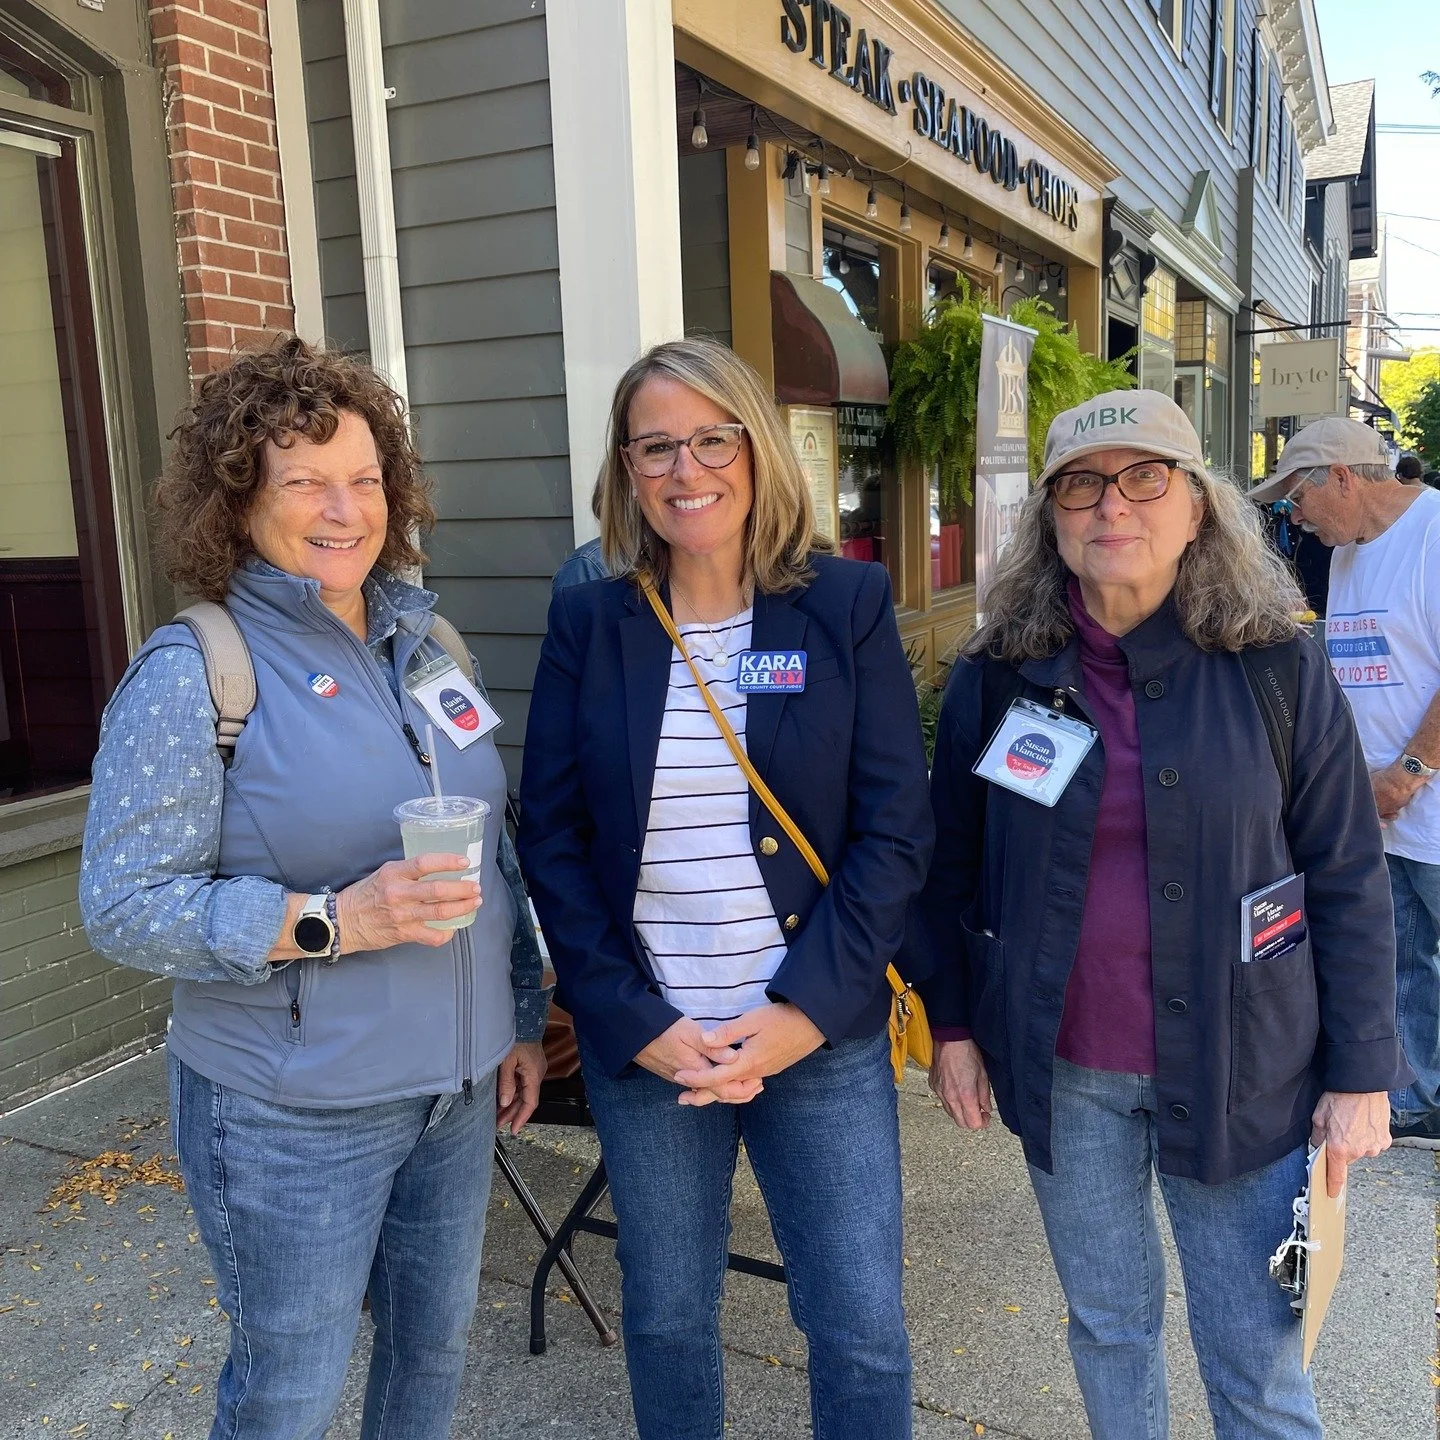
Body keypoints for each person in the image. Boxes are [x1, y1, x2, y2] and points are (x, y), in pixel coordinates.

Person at [80, 336, 550, 1438]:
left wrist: (518, 1020)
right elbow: (125, 902)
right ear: (238, 501)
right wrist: (332, 921)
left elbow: (494, 852)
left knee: (429, 1361)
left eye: (365, 479)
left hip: (454, 1093)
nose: (344, 509)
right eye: (305, 482)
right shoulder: (198, 672)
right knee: (287, 1393)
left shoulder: (427, 642)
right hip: (290, 1114)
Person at [923, 391, 1407, 1440]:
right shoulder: (1000, 677)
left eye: (1147, 478)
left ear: (1200, 507)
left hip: (1248, 1072)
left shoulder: (1278, 667)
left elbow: (1346, 875)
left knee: (1258, 1355)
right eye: (1084, 485)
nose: (1114, 505)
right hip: (1063, 1071)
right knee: (1108, 1331)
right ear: (1050, 519)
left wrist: (1362, 1073)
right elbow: (949, 866)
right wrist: (954, 1027)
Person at [518, 337, 933, 1440]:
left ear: (757, 451)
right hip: (654, 1041)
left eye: (712, 437)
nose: (685, 468)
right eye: (655, 445)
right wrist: (626, 1015)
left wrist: (803, 1015)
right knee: (664, 1320)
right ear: (624, 468)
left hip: (815, 1036)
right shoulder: (590, 621)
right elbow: (551, 837)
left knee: (858, 1325)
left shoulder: (841, 606)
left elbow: (897, 831)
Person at [1252, 417, 1440, 1148]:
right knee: (1397, 963)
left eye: (1296, 500)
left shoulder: (1431, 533)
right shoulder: (1346, 552)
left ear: (1343, 477)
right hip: (1373, 809)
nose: (1292, 519)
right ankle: (1418, 1097)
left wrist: (1411, 772)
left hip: (1416, 798)